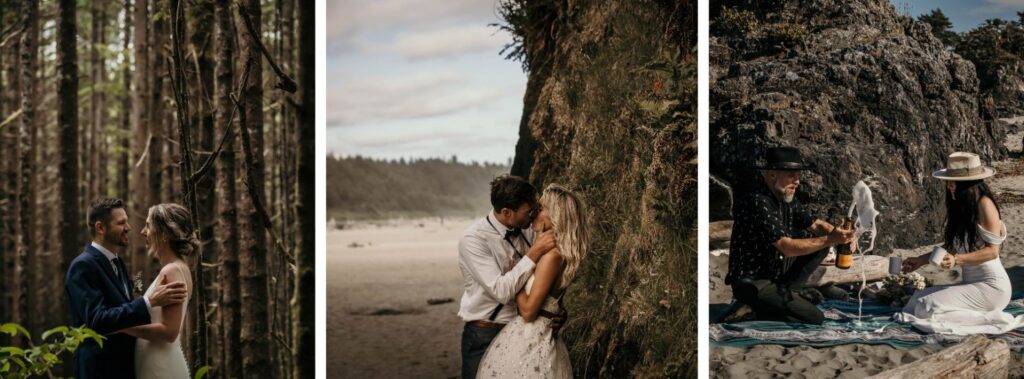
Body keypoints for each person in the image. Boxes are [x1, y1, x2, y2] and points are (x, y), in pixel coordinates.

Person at [725, 146, 857, 324]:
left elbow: (816, 224)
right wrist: (831, 239)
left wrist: (843, 235)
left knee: (819, 247)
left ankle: (788, 294)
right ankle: (755, 308)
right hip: (753, 283)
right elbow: (786, 247)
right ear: (772, 175)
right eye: (791, 176)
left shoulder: (786, 198)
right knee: (815, 317)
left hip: (775, 277)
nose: (797, 182)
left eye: (798, 176)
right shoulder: (758, 201)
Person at [896, 152, 1024, 334]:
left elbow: (992, 252)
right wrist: (920, 260)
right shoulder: (963, 205)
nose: (948, 186)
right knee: (916, 300)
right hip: (972, 285)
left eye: (952, 182)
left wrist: (957, 261)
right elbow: (951, 246)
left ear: (967, 184)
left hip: (992, 287)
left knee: (925, 306)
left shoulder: (985, 204)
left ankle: (990, 318)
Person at [65, 198, 188, 378]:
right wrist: (148, 302)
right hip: (99, 370)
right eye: (121, 223)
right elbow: (96, 321)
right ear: (100, 228)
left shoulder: (118, 263)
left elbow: (122, 309)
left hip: (126, 367)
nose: (129, 227)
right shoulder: (83, 266)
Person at [458, 175, 559, 379]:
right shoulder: (473, 240)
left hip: (524, 332)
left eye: (535, 209)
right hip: (485, 332)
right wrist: (534, 253)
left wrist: (553, 312)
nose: (532, 217)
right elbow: (501, 291)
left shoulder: (527, 229)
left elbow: (540, 280)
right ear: (506, 212)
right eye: (528, 212)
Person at [117, 203, 198, 377]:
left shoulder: (172, 271)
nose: (142, 232)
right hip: (156, 362)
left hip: (160, 368)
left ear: (165, 233)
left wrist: (122, 325)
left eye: (148, 225)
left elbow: (169, 332)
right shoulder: (178, 268)